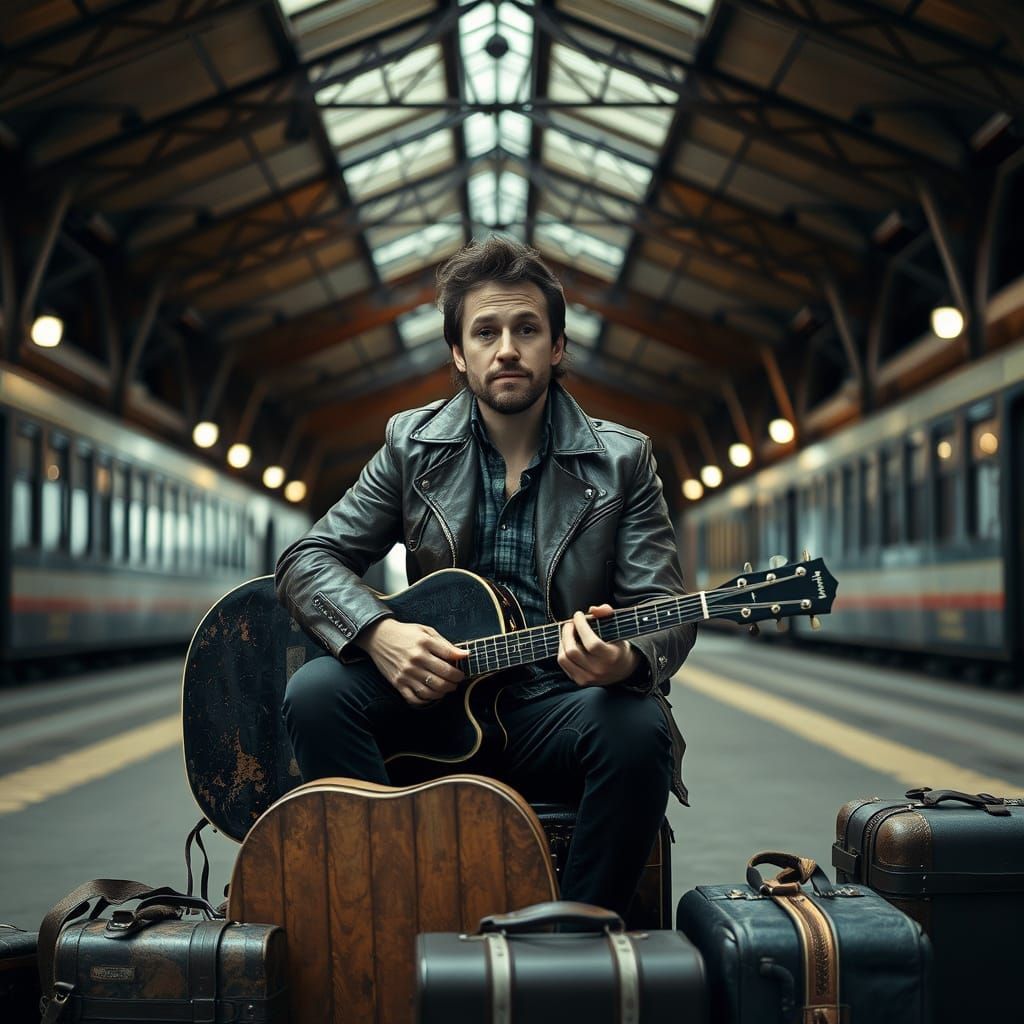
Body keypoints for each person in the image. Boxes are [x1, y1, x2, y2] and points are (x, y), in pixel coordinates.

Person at [276, 235, 696, 917]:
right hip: (439, 706)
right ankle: (388, 913)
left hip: (558, 710)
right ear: (458, 354)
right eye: (486, 331)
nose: (508, 348)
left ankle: (576, 943)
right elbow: (307, 558)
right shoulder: (411, 446)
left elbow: (666, 608)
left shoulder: (624, 462)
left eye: (527, 329)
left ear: (556, 348)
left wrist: (622, 662)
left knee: (637, 729)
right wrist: (381, 634)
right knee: (317, 693)